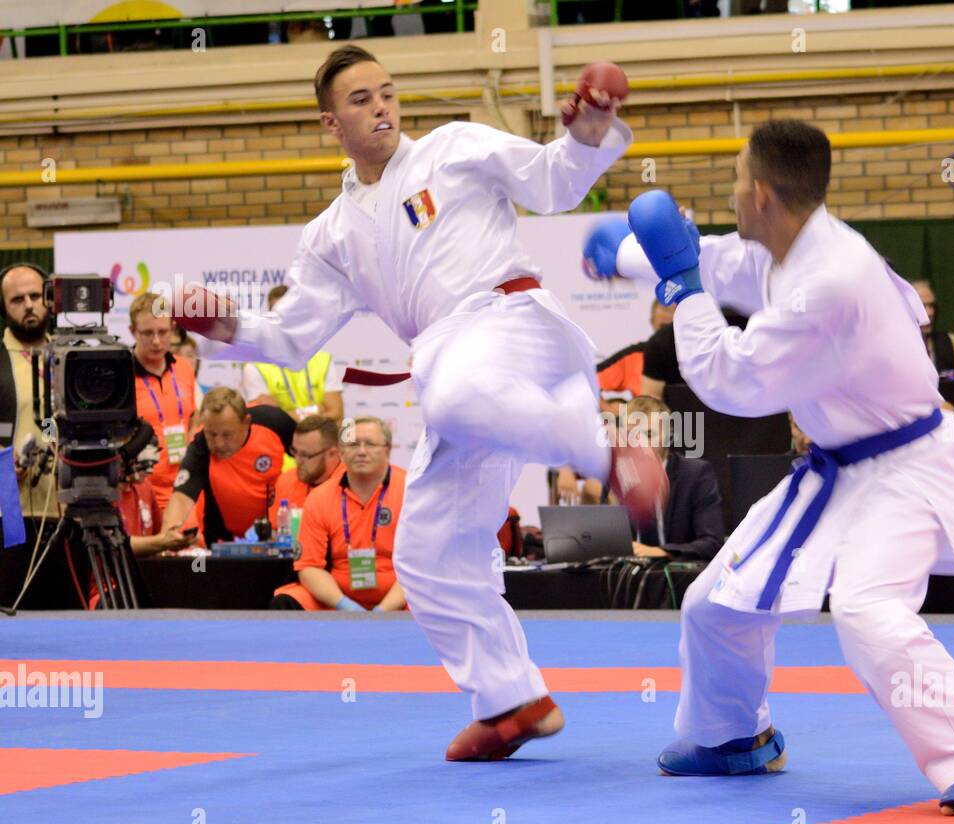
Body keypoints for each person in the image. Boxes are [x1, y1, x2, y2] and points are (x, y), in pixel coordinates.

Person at [173, 45, 662, 762]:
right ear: (329, 123)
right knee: (428, 552)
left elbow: (554, 181)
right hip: (465, 373)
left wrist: (587, 130)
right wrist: (226, 327)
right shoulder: (332, 234)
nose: (381, 106)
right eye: (361, 99)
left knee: (453, 386)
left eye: (387, 92)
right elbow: (287, 336)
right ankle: (511, 700)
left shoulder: (454, 148)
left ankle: (603, 450)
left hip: (514, 326)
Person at [594, 120, 954, 815]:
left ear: (764, 195)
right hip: (839, 467)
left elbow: (732, 380)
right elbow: (723, 261)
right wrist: (633, 258)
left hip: (906, 469)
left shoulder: (831, 280)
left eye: (737, 181)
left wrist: (683, 287)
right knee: (714, 604)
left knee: (869, 610)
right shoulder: (792, 247)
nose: (733, 193)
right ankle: (733, 738)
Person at [271, 417, 408, 611]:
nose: (361, 451)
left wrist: (383, 610)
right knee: (286, 600)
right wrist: (344, 605)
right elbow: (308, 566)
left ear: (387, 449)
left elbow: (422, 567)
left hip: (401, 598)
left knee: (432, 599)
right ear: (341, 452)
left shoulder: (412, 492)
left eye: (370, 444)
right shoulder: (320, 498)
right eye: (352, 444)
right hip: (336, 599)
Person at [0, 262, 76, 609]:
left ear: (49, 299)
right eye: (17, 299)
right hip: (10, 516)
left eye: (35, 295)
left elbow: (52, 421)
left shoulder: (67, 356)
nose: (28, 304)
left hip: (65, 513)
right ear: (4, 307)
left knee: (69, 619)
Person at [161, 387, 296, 544]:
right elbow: (182, 497)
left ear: (246, 423)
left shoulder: (274, 422)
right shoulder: (200, 446)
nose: (218, 443)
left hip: (277, 536)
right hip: (223, 541)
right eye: (211, 434)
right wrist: (168, 536)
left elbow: (312, 453)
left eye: (227, 435)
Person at [617, 395, 724, 562]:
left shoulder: (695, 474)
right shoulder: (618, 477)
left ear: (668, 434)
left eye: (649, 434)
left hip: (678, 580)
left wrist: (661, 552)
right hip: (626, 579)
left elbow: (712, 543)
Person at [130, 292, 201, 512]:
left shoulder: (184, 368)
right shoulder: (122, 375)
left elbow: (193, 414)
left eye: (163, 332)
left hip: (186, 484)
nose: (156, 341)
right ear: (133, 332)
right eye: (147, 333)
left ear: (172, 328)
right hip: (143, 486)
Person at [241, 285, 345, 422]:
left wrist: (286, 413)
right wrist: (316, 409)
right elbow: (266, 419)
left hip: (321, 441)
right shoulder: (255, 367)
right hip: (280, 441)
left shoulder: (323, 360)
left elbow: (336, 413)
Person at [268, 413, 343, 523]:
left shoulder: (351, 486)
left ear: (332, 453)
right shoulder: (286, 481)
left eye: (305, 455)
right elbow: (276, 532)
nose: (297, 461)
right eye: (295, 451)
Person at [911, 278, 954, 373]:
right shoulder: (897, 348)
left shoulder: (950, 342)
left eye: (931, 306)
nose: (930, 313)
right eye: (922, 306)